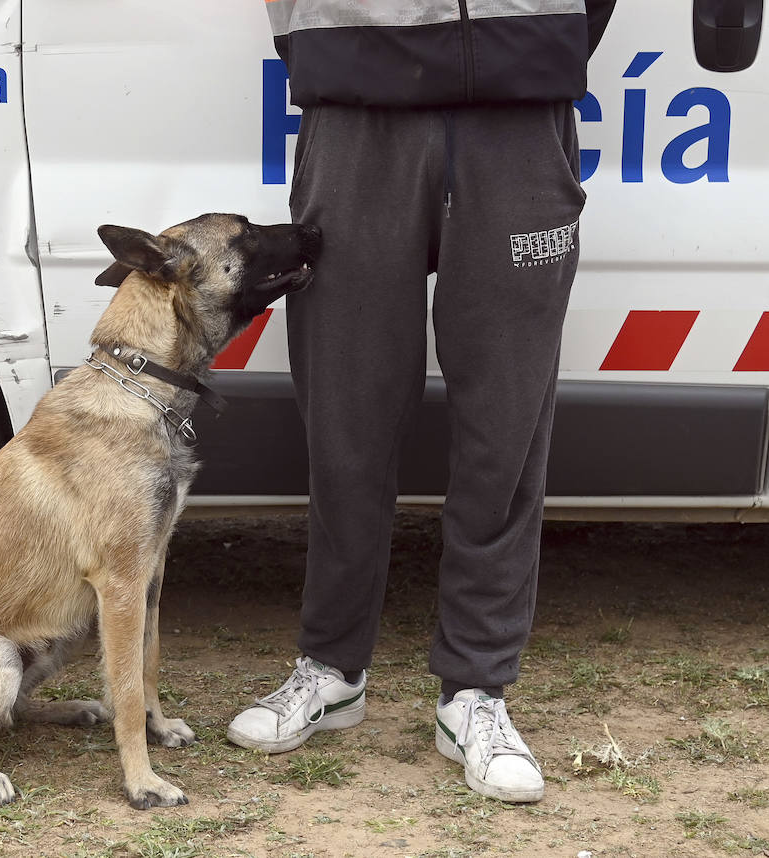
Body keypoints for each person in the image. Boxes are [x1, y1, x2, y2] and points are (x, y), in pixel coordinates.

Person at [227, 1, 618, 803]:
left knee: (505, 425)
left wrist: (544, 38)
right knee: (347, 414)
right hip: (356, 108)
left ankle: (476, 689)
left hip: (521, 110)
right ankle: (332, 666)